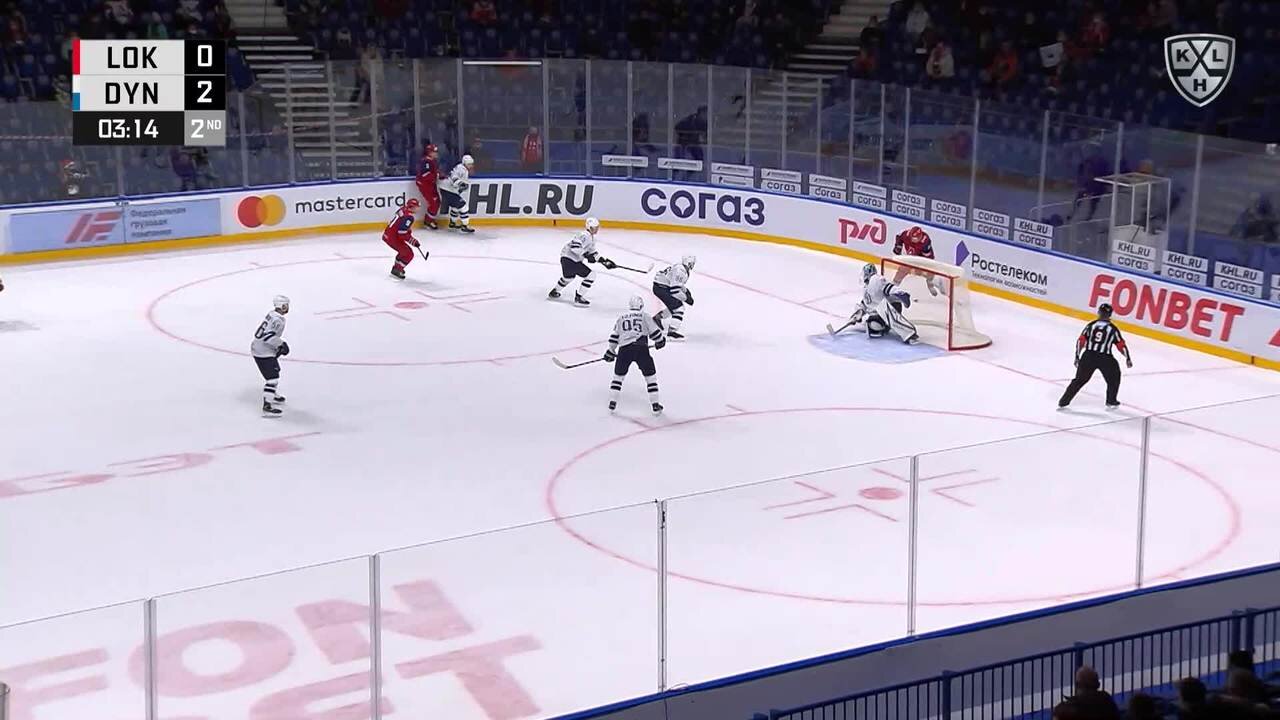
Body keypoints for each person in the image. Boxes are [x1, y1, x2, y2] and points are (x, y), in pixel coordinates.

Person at [1058, 304, 1132, 410]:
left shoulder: (1091, 325)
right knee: (1114, 378)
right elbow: (1121, 345)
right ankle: (1111, 400)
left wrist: (1077, 355)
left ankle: (1063, 401)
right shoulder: (1112, 329)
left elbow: (1081, 341)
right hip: (1105, 358)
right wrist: (1127, 357)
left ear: (1099, 312)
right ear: (1110, 314)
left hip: (1088, 356)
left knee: (1079, 380)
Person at [604, 296, 666, 415]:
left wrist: (611, 351)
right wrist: (660, 341)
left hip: (624, 350)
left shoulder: (621, 318)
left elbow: (614, 337)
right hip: (641, 349)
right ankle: (655, 405)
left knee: (618, 377)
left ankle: (612, 402)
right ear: (641, 306)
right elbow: (655, 333)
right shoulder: (645, 316)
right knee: (650, 377)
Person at [844, 263, 919, 344]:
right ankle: (886, 326)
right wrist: (857, 315)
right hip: (880, 312)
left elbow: (888, 287)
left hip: (892, 306)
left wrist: (901, 294)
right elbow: (865, 304)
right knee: (874, 325)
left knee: (883, 308)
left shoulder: (875, 279)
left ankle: (909, 333)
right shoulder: (866, 288)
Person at [548, 217, 616, 306]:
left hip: (567, 259)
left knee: (568, 277)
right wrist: (586, 255)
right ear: (589, 227)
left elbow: (593, 253)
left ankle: (554, 291)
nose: (596, 229)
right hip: (570, 259)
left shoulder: (592, 238)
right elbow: (574, 247)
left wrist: (603, 261)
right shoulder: (584, 235)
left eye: (597, 227)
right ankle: (579, 297)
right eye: (594, 227)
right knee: (591, 275)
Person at [251, 296, 291, 417]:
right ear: (281, 306)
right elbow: (267, 337)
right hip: (263, 351)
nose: (287, 307)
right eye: (286, 305)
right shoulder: (277, 320)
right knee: (273, 378)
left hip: (261, 348)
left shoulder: (272, 314)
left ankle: (271, 393)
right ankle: (267, 405)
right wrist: (281, 344)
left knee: (275, 371)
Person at [652, 255, 696, 340]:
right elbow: (675, 291)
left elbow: (676, 283)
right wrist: (686, 298)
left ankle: (657, 318)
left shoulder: (681, 268)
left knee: (674, 306)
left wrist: (685, 291)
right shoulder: (681, 271)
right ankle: (671, 332)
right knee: (679, 308)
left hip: (661, 286)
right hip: (661, 288)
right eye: (692, 263)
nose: (693, 265)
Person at [383, 198, 422, 279]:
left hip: (388, 234)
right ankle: (398, 269)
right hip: (392, 238)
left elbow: (399, 225)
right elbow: (402, 234)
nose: (418, 208)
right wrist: (413, 241)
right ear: (412, 207)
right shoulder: (409, 217)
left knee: (403, 251)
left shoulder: (403, 209)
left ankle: (396, 267)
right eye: (417, 207)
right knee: (409, 254)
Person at [439, 154, 475, 233]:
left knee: (455, 207)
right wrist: (461, 184)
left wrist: (461, 185)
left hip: (448, 190)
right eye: (469, 164)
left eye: (471, 164)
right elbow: (454, 177)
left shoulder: (461, 168)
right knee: (464, 207)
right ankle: (465, 226)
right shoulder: (461, 169)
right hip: (448, 190)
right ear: (464, 163)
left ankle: (452, 223)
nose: (471, 166)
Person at [415, 143, 442, 229]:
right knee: (434, 203)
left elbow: (434, 172)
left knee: (437, 202)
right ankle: (428, 221)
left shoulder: (432, 161)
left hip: (431, 184)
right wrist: (437, 176)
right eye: (434, 151)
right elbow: (425, 175)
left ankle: (430, 219)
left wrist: (439, 174)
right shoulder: (425, 161)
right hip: (425, 185)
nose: (436, 153)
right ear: (430, 152)